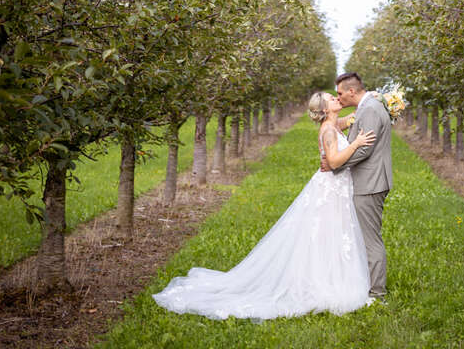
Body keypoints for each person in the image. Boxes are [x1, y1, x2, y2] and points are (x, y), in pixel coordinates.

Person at [152, 92, 376, 320]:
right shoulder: (328, 130)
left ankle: (330, 276)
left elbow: (352, 118)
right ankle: (322, 282)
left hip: (335, 187)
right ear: (325, 109)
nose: (336, 98)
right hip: (331, 188)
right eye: (331, 98)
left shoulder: (333, 124)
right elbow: (335, 161)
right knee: (325, 232)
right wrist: (356, 143)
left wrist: (375, 97)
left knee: (332, 232)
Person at [335, 72, 392, 301]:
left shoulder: (369, 109)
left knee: (370, 239)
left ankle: (377, 293)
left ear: (351, 91)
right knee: (365, 236)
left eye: (340, 93)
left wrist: (335, 165)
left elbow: (364, 148)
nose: (338, 97)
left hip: (370, 182)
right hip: (371, 179)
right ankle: (367, 284)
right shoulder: (370, 104)